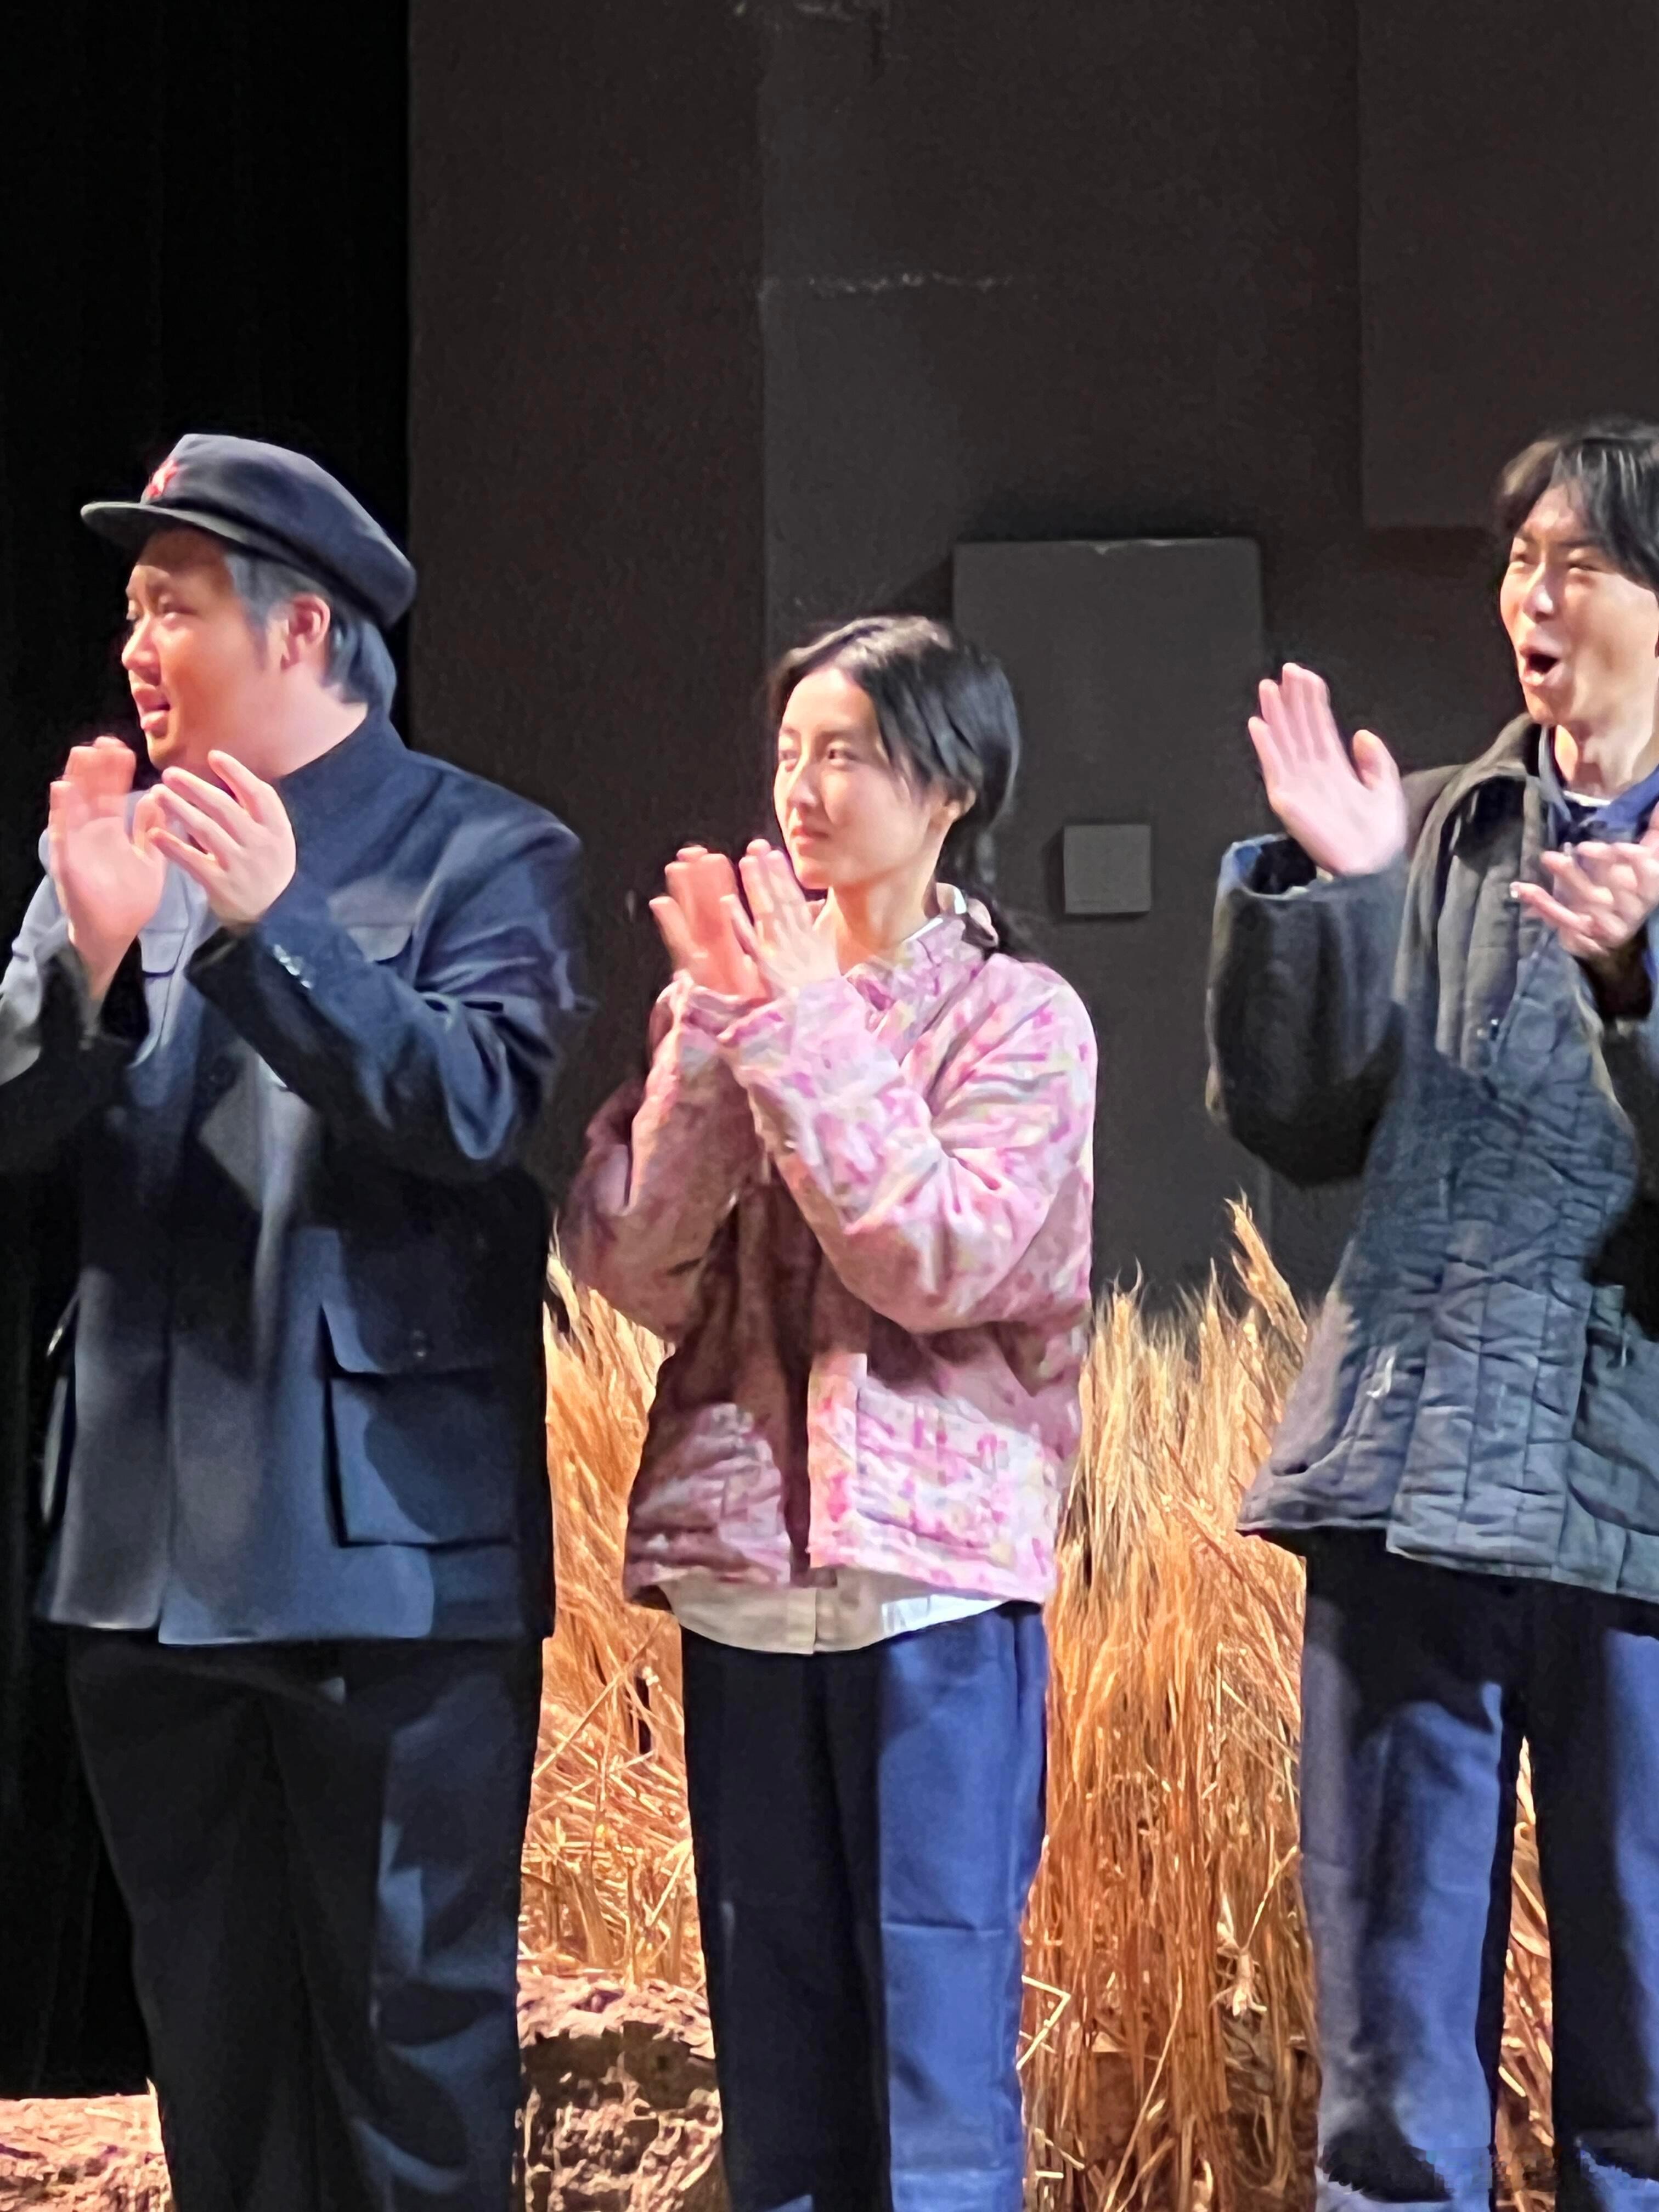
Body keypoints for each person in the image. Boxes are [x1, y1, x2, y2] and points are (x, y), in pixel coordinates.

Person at [0, 433, 589, 2211]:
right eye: (130, 611)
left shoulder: (485, 850)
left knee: (417, 2075)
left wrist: (275, 932)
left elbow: (471, 1111)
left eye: (171, 606)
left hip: (385, 1574)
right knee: (219, 2073)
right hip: (143, 1566)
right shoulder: (116, 853)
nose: (136, 646)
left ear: (303, 629)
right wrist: (89, 966)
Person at [564, 614, 1097, 2212]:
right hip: (749, 1585)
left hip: (931, 1589)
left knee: (934, 2068)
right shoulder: (733, 1005)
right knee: (778, 2069)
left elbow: (937, 1256)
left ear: (949, 786)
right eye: (790, 753)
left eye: (846, 753)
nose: (803, 788)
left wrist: (802, 1033)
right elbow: (631, 1261)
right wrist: (712, 1048)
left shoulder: (1021, 1019)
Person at [1208, 418, 1659, 2211]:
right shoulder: (1457, 831)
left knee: (1646, 2048)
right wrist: (1337, 893)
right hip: (1407, 1488)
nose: (1532, 598)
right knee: (1391, 2068)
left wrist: (1637, 980)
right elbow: (1299, 1121)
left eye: (1581, 565)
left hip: (1632, 1510)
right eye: (1520, 562)